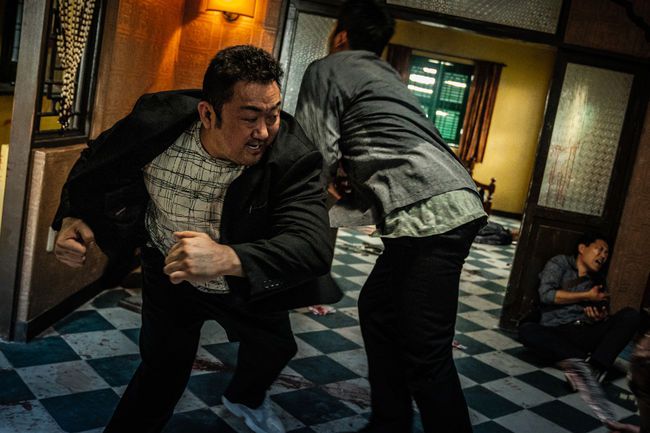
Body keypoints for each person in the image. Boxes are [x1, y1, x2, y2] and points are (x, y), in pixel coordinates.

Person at [52, 45, 339, 433]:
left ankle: (245, 397)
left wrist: (226, 258)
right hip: (168, 271)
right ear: (207, 114)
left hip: (241, 283)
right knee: (161, 369)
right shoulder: (157, 120)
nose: (264, 132)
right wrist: (73, 215)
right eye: (249, 118)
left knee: (276, 347)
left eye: (272, 115)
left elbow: (312, 244)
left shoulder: (292, 156)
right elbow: (98, 160)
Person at [295, 1, 487, 431]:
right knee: (378, 309)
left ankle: (394, 422)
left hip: (433, 215)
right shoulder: (386, 76)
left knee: (427, 355)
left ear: (340, 35)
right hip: (447, 203)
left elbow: (314, 155)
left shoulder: (328, 68)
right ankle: (390, 421)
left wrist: (294, 214)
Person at [519, 233, 639, 384]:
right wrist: (587, 296)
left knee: (630, 315)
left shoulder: (598, 279)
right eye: (599, 250)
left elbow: (603, 309)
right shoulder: (560, 263)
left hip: (585, 331)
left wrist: (600, 316)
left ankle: (594, 365)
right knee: (527, 330)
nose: (603, 256)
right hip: (557, 330)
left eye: (606, 253)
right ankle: (589, 364)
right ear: (582, 248)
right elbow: (546, 295)